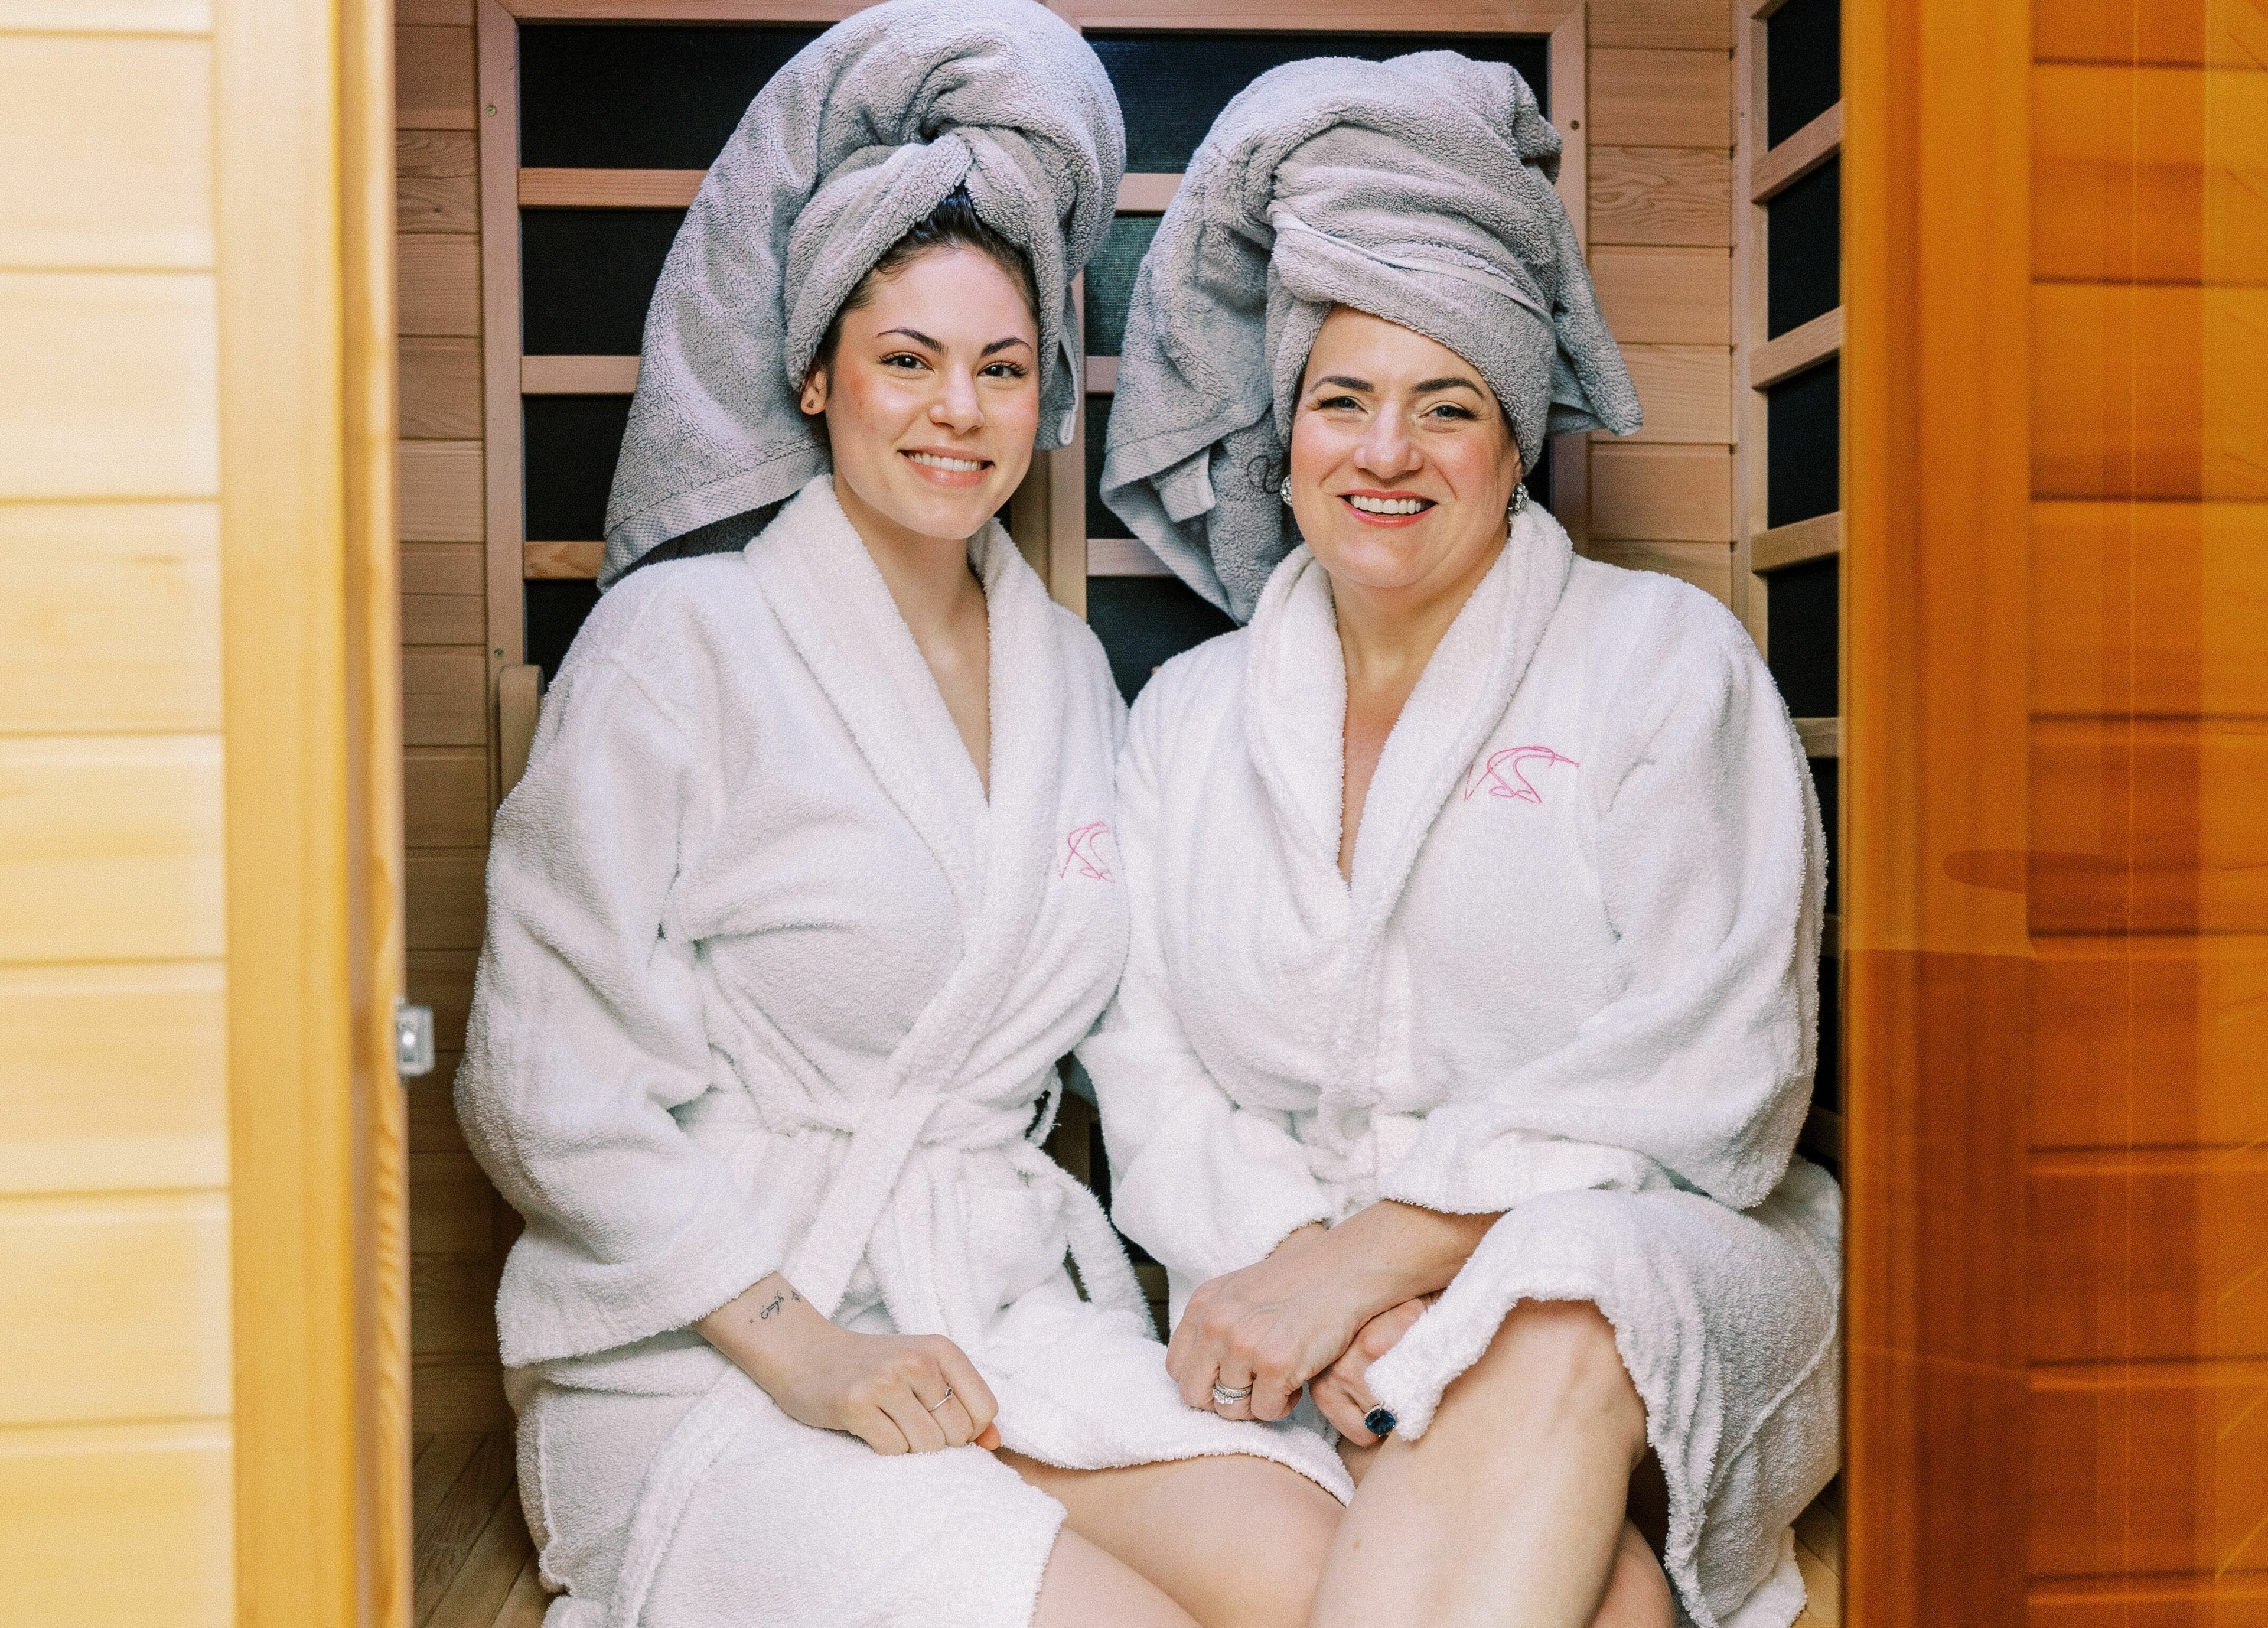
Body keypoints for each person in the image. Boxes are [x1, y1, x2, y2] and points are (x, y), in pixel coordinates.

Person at [454, 8, 1345, 1627]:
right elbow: (541, 1072)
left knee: (1330, 1577)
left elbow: (1139, 1044)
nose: (958, 412)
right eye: (906, 361)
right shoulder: (684, 646)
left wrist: (1304, 1278)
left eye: (1003, 368)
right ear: (817, 375)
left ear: (1045, 398)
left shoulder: (1073, 680)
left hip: (989, 1303)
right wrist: (809, 1344)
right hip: (707, 1346)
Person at [1086, 53, 1840, 1628]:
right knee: (1604, 1601)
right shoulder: (1186, 720)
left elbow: (1722, 1060)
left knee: (1554, 1308)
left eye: (1450, 406)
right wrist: (1303, 1274)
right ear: (1284, 435)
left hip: (1650, 1280)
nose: (1387, 452)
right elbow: (1141, 1056)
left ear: (1515, 443)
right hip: (1278, 1302)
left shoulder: (1659, 661)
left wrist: (1381, 1262)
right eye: (1342, 400)